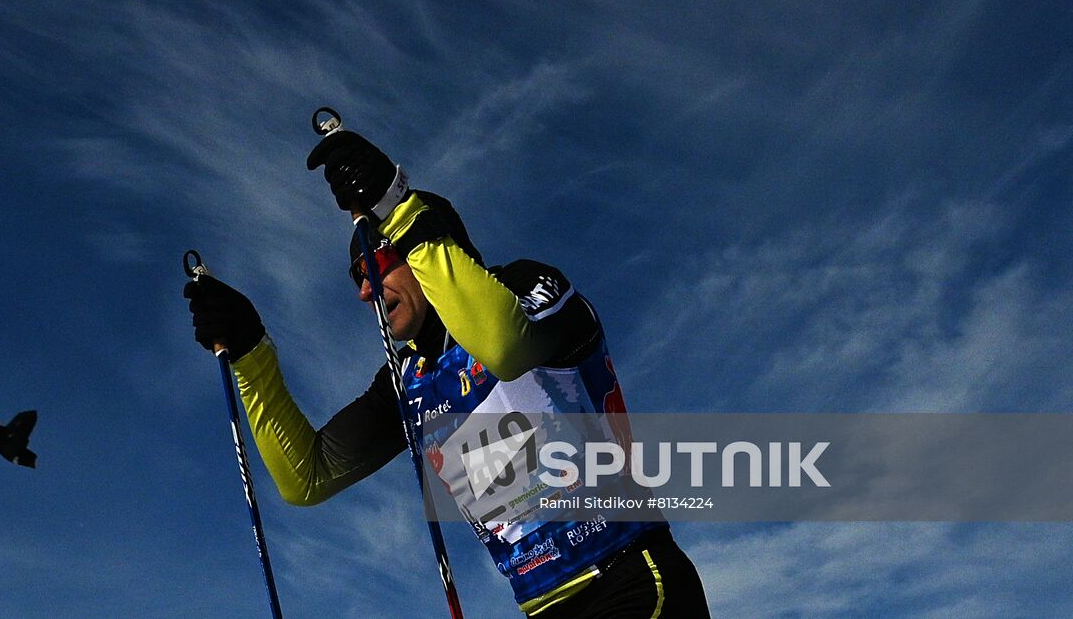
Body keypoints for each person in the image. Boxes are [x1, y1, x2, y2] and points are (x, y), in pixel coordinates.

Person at [185, 128, 710, 617]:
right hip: (545, 606)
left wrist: (393, 204)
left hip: (632, 578)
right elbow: (308, 477)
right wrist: (252, 357)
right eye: (356, 277)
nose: (365, 291)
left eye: (375, 264)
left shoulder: (523, 284)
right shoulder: (407, 378)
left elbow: (503, 348)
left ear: (421, 244)